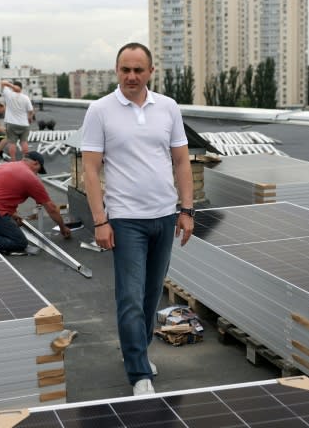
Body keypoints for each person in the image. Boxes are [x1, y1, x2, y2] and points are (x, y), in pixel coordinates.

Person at [81, 42, 195, 396]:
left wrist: (187, 210)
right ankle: (137, 372)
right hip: (126, 220)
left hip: (163, 216)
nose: (131, 76)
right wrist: (100, 221)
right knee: (130, 296)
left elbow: (181, 161)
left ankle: (139, 352)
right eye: (125, 69)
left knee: (149, 296)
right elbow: (90, 168)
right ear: (117, 71)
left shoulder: (168, 108)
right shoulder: (100, 110)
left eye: (138, 70)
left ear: (150, 72)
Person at [0, 151, 71, 254]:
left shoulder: (4, 166)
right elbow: (51, 208)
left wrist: (12, 214)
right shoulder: (31, 178)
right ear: (36, 163)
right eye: (38, 170)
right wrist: (63, 228)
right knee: (19, 242)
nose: (36, 174)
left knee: (5, 228)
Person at [1, 80, 33, 160]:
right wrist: (29, 118)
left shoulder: (8, 94)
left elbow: (2, 83)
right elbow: (31, 110)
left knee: (12, 143)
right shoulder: (26, 97)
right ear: (21, 88)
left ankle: (13, 160)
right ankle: (25, 160)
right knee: (24, 142)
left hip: (12, 123)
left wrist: (11, 85)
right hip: (24, 124)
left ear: (13, 87)